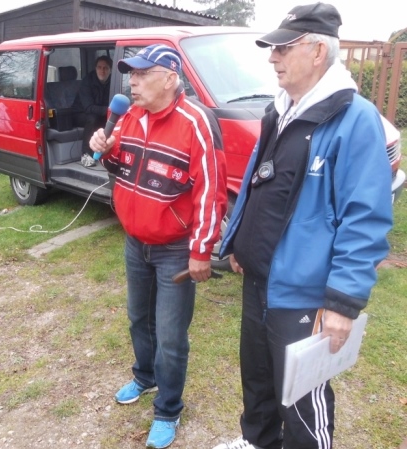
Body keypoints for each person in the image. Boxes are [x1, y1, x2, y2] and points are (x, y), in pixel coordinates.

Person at [215, 3, 393, 449]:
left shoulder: (354, 120)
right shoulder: (281, 111)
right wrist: (239, 241)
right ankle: (257, 441)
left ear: (317, 51)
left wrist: (342, 303)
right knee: (257, 378)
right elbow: (259, 183)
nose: (272, 57)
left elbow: (365, 218)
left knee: (301, 398)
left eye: (283, 48)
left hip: (304, 293)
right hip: (260, 281)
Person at [90, 44, 228, 448]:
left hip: (175, 250)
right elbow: (121, 167)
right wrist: (107, 151)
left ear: (169, 79)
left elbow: (212, 193)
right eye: (130, 75)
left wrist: (201, 250)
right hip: (136, 242)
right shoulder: (130, 116)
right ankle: (145, 376)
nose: (131, 83)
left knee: (170, 335)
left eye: (141, 74)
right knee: (138, 318)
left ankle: (168, 409)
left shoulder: (196, 123)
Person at [72, 55, 112, 167]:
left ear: (110, 70)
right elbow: (88, 107)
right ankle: (86, 154)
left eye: (105, 68)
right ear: (95, 68)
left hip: (100, 112)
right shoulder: (87, 81)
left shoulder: (113, 82)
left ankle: (108, 154)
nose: (102, 71)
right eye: (99, 67)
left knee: (113, 120)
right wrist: (109, 110)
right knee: (92, 119)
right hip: (80, 114)